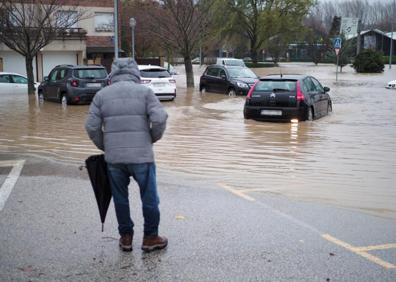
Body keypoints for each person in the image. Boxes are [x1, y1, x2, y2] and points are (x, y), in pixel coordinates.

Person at [85, 58, 168, 252]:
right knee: (149, 198)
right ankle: (150, 238)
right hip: (142, 157)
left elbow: (91, 126)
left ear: (112, 73)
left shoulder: (101, 95)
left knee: (120, 198)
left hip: (114, 159)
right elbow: (160, 119)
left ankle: (126, 238)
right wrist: (151, 139)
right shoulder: (146, 92)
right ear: (135, 73)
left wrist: (106, 146)